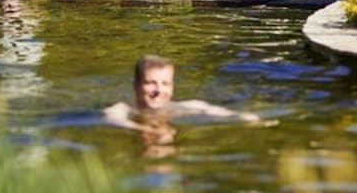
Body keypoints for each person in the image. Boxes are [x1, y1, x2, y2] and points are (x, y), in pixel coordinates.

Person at [103, 55, 260, 138]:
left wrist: (242, 116)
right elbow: (113, 120)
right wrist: (145, 129)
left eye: (165, 83)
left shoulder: (181, 107)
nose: (159, 90)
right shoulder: (123, 108)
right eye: (151, 83)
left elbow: (210, 110)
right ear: (136, 85)